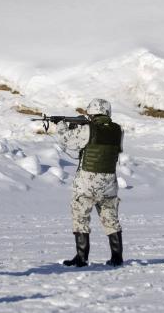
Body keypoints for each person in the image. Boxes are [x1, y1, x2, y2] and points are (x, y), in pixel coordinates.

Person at [57, 98, 124, 267]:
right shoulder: (118, 130)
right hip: (109, 182)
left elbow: (67, 141)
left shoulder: (88, 129)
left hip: (87, 182)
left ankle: (82, 257)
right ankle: (117, 257)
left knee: (81, 217)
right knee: (111, 219)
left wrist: (61, 126)